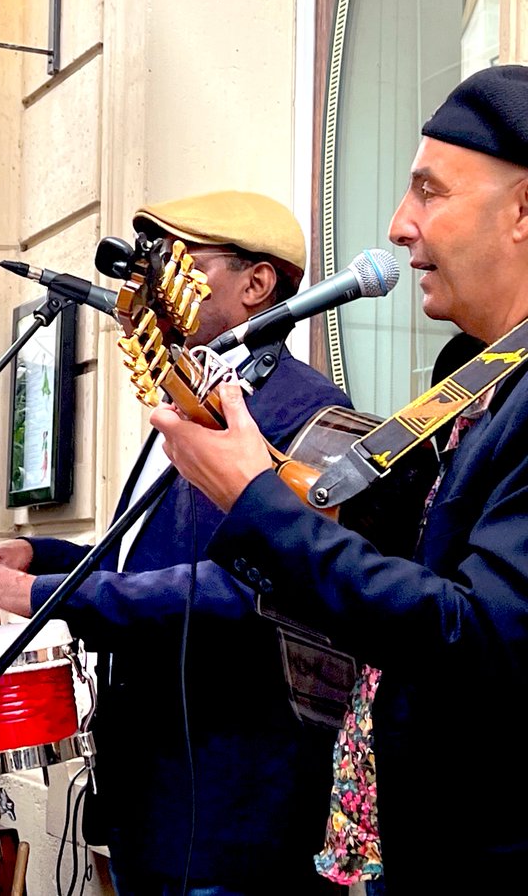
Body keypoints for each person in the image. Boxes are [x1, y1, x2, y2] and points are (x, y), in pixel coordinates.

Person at [152, 65, 528, 890]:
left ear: (523, 213)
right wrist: (263, 481)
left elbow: (475, 638)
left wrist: (255, 498)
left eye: (430, 191)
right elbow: (395, 575)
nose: (400, 226)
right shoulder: (474, 376)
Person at [0, 192, 351, 895]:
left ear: (257, 284)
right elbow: (149, 558)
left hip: (233, 808)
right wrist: (43, 558)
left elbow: (250, 588)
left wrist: (42, 597)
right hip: (148, 795)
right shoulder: (191, 389)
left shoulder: (313, 415)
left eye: (175, 263)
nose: (149, 284)